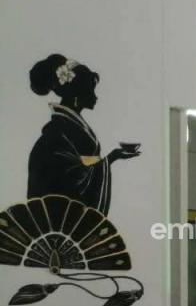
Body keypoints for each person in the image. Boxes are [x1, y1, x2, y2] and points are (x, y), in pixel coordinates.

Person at [27, 54, 140, 215]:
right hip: (57, 216)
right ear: (76, 95)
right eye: (91, 91)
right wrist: (109, 160)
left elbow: (81, 169)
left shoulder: (66, 128)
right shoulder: (57, 134)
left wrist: (111, 158)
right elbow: (72, 180)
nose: (95, 97)